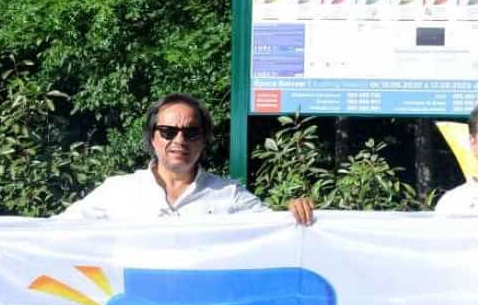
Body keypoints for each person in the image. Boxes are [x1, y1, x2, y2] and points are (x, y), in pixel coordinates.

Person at [60, 94, 314, 224]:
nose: (179, 140)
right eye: (168, 131)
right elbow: (56, 233)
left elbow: (275, 230)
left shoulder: (229, 195)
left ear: (204, 139)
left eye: (191, 132)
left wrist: (294, 212)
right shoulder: (117, 191)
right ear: (152, 137)